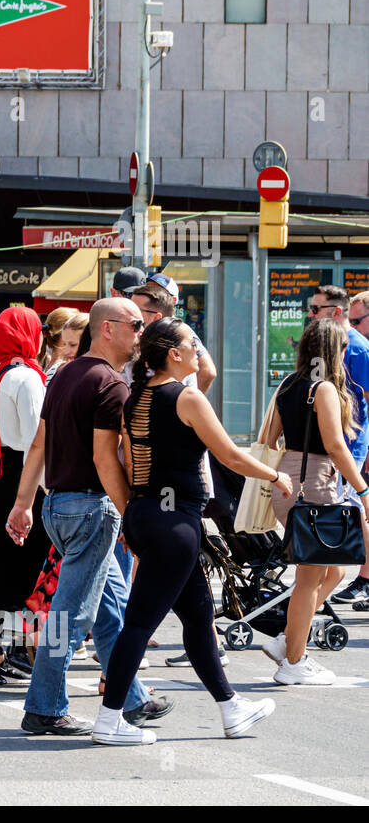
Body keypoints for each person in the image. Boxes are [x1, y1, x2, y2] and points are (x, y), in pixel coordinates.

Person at [93, 317, 288, 745]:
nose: (199, 352)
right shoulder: (185, 398)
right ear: (174, 355)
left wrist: (136, 513)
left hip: (147, 514)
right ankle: (110, 720)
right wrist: (275, 478)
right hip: (173, 522)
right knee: (139, 625)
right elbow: (232, 456)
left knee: (199, 618)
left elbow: (122, 461)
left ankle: (231, 708)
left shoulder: (137, 395)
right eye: (192, 345)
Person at [6, 299, 164, 732]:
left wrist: (23, 503)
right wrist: (131, 514)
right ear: (108, 328)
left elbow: (38, 444)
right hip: (91, 509)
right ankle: (44, 708)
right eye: (135, 325)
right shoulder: (110, 383)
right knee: (71, 617)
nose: (141, 333)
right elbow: (104, 457)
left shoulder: (63, 374)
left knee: (113, 610)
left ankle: (133, 699)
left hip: (58, 506)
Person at [262, 319, 369, 685]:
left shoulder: (289, 384)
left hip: (288, 480)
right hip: (315, 483)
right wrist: (365, 491)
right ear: (332, 351)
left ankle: (287, 640)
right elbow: (337, 447)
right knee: (310, 577)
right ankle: (294, 662)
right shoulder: (322, 389)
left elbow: (271, 438)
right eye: (341, 348)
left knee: (334, 570)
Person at [0, 306, 51, 687]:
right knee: (32, 567)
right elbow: (38, 438)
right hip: (23, 477)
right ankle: (23, 651)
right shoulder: (27, 378)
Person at [307, 286, 369, 607]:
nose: (310, 314)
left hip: (348, 448)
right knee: (352, 516)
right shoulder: (324, 348)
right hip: (328, 450)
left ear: (336, 312)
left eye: (317, 309)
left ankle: (365, 578)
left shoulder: (358, 350)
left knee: (356, 514)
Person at [130, 278, 218, 392]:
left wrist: (194, 400)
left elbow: (208, 371)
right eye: (149, 287)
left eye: (159, 290)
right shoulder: (132, 339)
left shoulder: (182, 334)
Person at [44, 312, 87, 384]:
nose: (65, 351)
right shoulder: (55, 371)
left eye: (73, 345)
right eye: (64, 344)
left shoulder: (102, 377)